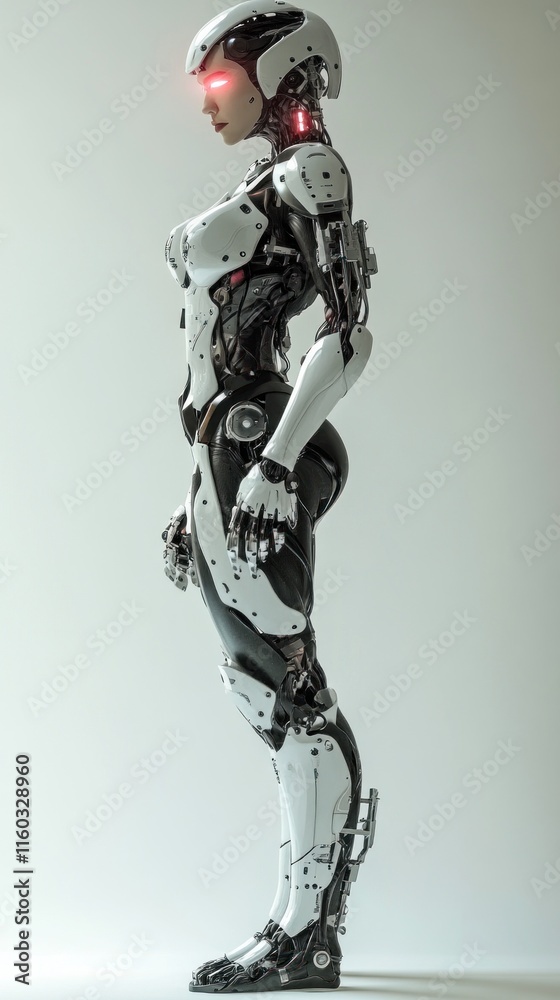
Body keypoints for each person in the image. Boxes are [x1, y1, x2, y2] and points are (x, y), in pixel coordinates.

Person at [162, 1, 379, 991]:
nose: (209, 102)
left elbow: (348, 331)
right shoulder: (270, 178)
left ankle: (307, 934)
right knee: (261, 686)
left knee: (290, 691)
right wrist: (197, 499)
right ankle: (296, 929)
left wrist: (279, 462)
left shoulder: (309, 172)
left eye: (220, 81)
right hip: (230, 452)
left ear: (277, 69)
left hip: (258, 449)